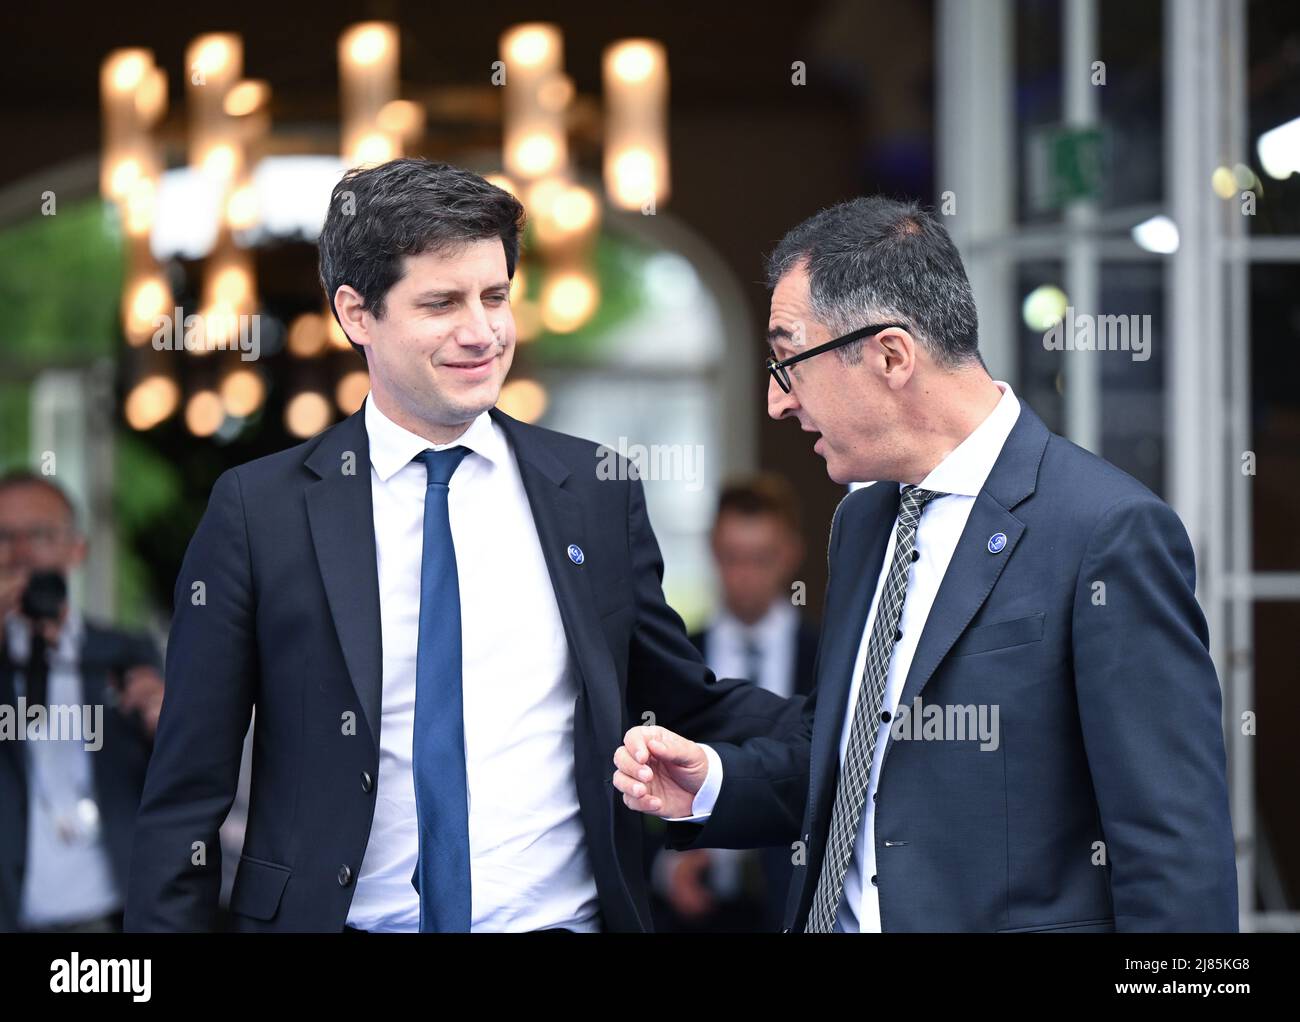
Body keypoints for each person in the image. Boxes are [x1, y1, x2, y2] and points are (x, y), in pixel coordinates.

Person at [124, 158, 799, 933]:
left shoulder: (594, 490)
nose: (481, 332)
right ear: (356, 313)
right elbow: (186, 791)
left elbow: (681, 696)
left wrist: (860, 721)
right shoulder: (259, 510)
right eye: (441, 302)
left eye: (495, 296)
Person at [613, 197, 1239, 932]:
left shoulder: (1108, 531)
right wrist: (716, 782)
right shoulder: (863, 521)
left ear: (890, 356)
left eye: (789, 360)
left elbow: (1172, 846)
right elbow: (851, 756)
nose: (778, 402)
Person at [648, 475, 817, 932]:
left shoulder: (830, 658)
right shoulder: (677, 658)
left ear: (791, 553)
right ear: (712, 552)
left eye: (761, 558)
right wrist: (663, 866)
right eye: (731, 558)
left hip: (800, 904)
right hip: (693, 912)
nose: (744, 576)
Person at [0, 471, 164, 932]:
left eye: (40, 535)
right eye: (4, 537)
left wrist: (167, 722)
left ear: (77, 549)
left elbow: (184, 774)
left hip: (105, 912)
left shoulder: (123, 653)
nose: (21, 553)